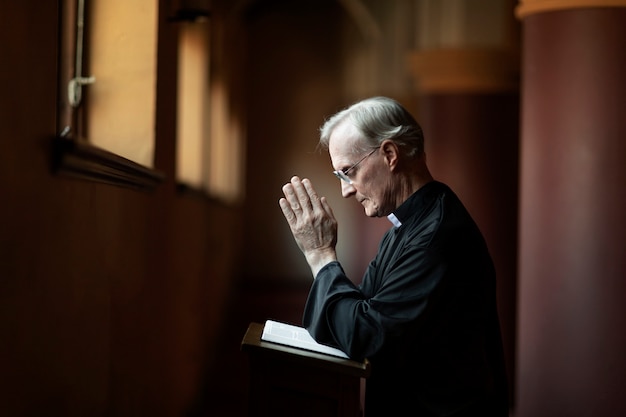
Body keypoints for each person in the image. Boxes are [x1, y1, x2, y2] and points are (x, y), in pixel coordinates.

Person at [278, 96, 508, 416]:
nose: (346, 189)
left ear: (389, 154)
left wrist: (320, 254)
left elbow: (366, 337)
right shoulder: (409, 223)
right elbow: (354, 316)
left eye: (349, 172)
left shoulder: (438, 236)